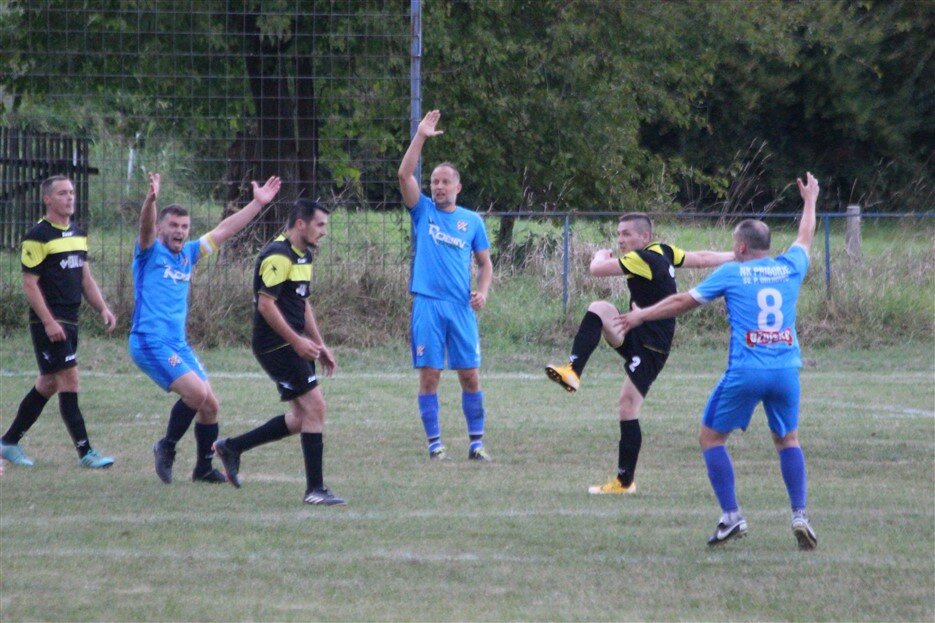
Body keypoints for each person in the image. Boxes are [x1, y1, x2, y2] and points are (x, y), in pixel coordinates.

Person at [617, 173, 820, 550]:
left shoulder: (732, 271)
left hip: (747, 371)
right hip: (787, 369)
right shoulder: (790, 266)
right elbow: (804, 237)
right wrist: (810, 200)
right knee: (788, 439)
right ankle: (800, 514)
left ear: (741, 246)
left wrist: (642, 315)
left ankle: (731, 516)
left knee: (710, 438)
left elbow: (682, 302)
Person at [545, 213, 734, 495]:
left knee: (627, 407)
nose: (621, 239)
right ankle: (572, 371)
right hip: (636, 330)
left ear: (645, 237)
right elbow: (703, 258)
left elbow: (597, 269)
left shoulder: (642, 258)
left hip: (651, 345)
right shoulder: (665, 251)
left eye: (627, 234)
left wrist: (598, 255)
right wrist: (737, 255)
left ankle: (624, 482)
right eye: (619, 234)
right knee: (599, 309)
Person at [130, 172, 281, 484]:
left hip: (176, 343)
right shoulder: (148, 253)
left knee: (210, 405)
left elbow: (225, 230)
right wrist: (150, 201)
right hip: (149, 341)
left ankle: (202, 469)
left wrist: (257, 204)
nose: (180, 232)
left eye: (184, 227)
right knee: (197, 394)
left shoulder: (188, 255)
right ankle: (166, 447)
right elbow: (144, 229)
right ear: (161, 227)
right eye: (173, 226)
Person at [213, 200, 345, 505]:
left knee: (303, 417)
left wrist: (319, 343)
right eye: (320, 225)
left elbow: (302, 302)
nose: (324, 232)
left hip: (292, 343)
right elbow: (266, 305)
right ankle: (315, 490)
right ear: (301, 224)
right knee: (316, 408)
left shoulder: (303, 255)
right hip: (276, 344)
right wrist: (297, 342)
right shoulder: (277, 255)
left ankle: (232, 447)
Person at [0, 175, 117, 469]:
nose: (70, 198)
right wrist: (49, 322)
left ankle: (8, 442)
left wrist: (102, 307)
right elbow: (30, 284)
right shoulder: (37, 236)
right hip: (49, 324)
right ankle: (86, 452)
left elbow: (85, 278)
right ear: (48, 199)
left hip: (72, 319)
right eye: (63, 193)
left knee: (48, 383)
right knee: (70, 379)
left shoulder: (77, 233)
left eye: (72, 193)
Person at [397, 110, 494, 461]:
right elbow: (404, 174)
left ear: (457, 187)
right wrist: (421, 135)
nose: (437, 186)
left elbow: (485, 265)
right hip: (427, 305)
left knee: (470, 376)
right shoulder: (422, 211)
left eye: (444, 182)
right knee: (430, 378)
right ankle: (435, 445)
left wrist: (481, 292)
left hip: (461, 308)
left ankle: (476, 443)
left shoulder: (472, 221)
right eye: (434, 181)